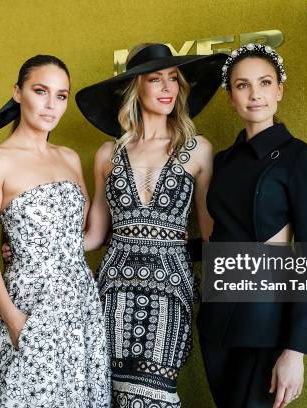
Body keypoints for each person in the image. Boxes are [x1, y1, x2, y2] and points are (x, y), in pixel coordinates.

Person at [75, 43, 226, 408]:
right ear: (135, 88)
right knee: (106, 391)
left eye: (173, 79)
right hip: (112, 290)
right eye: (155, 79)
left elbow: (209, 234)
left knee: (153, 395)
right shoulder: (107, 155)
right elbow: (94, 236)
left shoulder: (198, 149)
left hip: (172, 290)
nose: (166, 88)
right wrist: (38, 246)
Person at [0, 54, 110, 407]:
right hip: (28, 306)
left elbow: (83, 239)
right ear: (18, 93)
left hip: (80, 306)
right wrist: (14, 320)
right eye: (40, 91)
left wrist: (107, 178)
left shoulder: (69, 157)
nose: (51, 105)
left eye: (61, 96)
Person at [198, 43, 307, 408]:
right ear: (230, 97)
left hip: (266, 319)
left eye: (265, 82)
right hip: (216, 320)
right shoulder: (222, 161)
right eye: (242, 85)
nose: (255, 94)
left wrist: (296, 349)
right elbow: (219, 235)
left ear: (280, 90)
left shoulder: (302, 157)